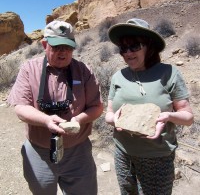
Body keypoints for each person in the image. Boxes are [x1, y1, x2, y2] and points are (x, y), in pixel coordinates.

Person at [8, 20, 103, 195]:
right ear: (45, 44)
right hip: (39, 153)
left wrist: (78, 120)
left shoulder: (84, 70)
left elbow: (96, 106)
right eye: (57, 46)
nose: (63, 52)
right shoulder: (29, 69)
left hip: (78, 153)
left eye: (68, 47)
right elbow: (20, 107)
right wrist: (46, 120)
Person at [105, 18, 194, 195]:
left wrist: (168, 117)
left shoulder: (169, 73)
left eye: (134, 46)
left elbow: (188, 117)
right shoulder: (117, 77)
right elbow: (108, 114)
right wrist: (114, 119)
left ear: (149, 47)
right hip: (123, 153)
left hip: (157, 157)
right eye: (123, 48)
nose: (128, 53)